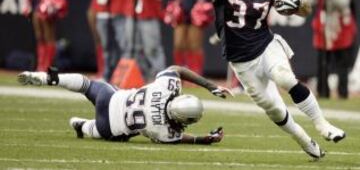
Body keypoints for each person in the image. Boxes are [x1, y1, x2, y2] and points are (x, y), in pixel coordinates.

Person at [190, 0, 345, 159]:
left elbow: (305, 11)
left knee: (285, 78)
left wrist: (297, 3)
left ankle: (323, 124)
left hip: (266, 46)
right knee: (275, 110)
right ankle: (305, 141)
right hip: (242, 62)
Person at [17, 66, 230, 144]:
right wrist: (205, 139)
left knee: (87, 84)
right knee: (110, 131)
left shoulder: (165, 87)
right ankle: (80, 125)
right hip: (109, 128)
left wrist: (210, 86)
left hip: (109, 98)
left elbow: (179, 69)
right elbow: (182, 137)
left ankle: (51, 79)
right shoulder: (165, 132)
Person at [307, 0, 356, 99]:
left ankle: (342, 94)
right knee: (322, 64)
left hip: (341, 31)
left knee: (342, 66)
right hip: (323, 30)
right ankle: (323, 93)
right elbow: (309, 3)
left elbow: (343, 4)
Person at [164, 0, 211, 75]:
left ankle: (195, 74)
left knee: (194, 44)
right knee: (179, 43)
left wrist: (200, 7)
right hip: (180, 16)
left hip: (195, 15)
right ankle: (180, 73)